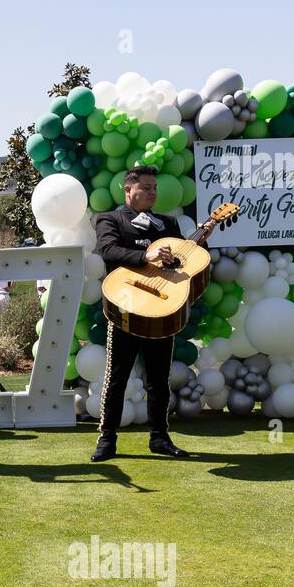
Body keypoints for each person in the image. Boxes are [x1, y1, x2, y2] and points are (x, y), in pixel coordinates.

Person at [91, 165, 190, 462]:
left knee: (159, 379)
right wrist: (144, 256)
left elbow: (182, 262)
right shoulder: (109, 219)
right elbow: (107, 250)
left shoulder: (168, 222)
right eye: (145, 188)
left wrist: (198, 241)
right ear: (128, 190)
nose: (152, 193)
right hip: (126, 309)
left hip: (161, 309)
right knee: (117, 377)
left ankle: (159, 438)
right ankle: (106, 440)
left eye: (155, 188)